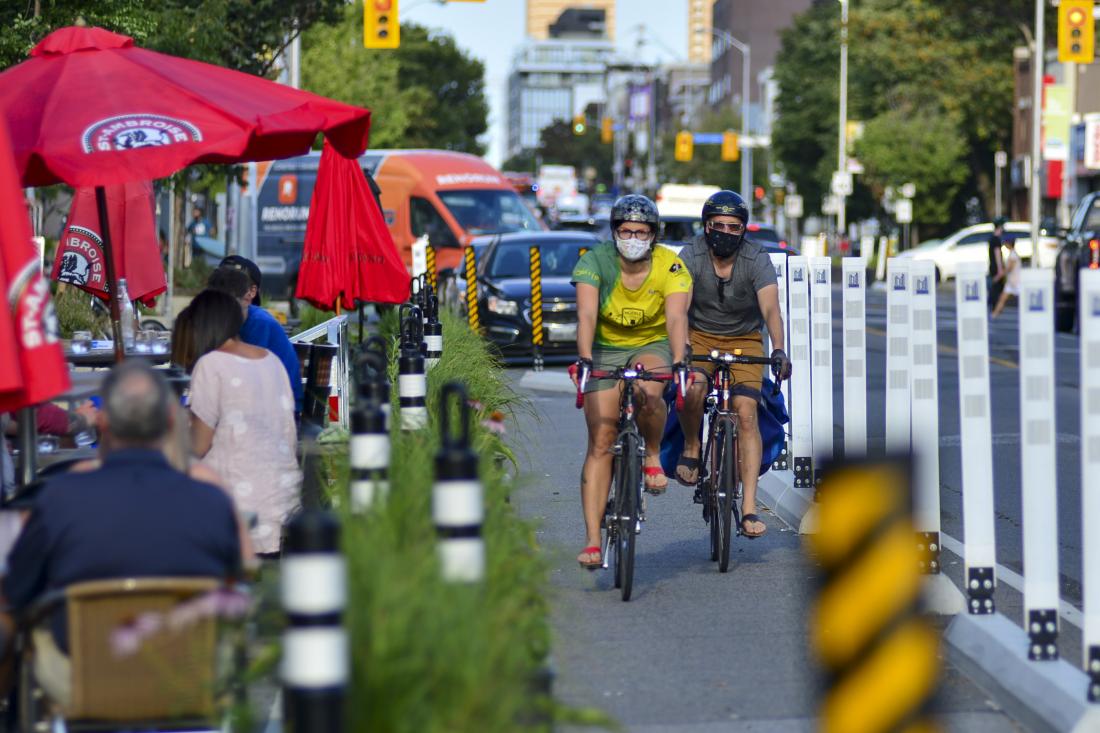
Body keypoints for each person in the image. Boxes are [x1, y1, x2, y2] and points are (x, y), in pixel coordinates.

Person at [1, 361, 242, 707]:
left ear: (103, 421)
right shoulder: (211, 501)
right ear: (172, 422)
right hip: (186, 676)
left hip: (83, 678)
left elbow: (18, 590)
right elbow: (233, 583)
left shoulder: (60, 498)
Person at [569, 194, 691, 569]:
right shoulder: (594, 261)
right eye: (626, 231)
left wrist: (679, 359)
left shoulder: (670, 266)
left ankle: (652, 454)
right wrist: (586, 357)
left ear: (654, 235)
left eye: (641, 232)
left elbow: (675, 319)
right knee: (601, 441)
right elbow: (587, 314)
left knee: (648, 390)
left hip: (650, 344)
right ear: (614, 232)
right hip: (604, 347)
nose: (633, 238)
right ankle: (592, 539)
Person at [674, 190, 791, 540]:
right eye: (718, 225)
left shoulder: (756, 258)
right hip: (700, 336)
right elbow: (679, 305)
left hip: (744, 339)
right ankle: (693, 447)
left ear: (744, 230)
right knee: (692, 387)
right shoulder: (691, 254)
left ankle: (750, 507)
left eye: (734, 226)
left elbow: (771, 309)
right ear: (706, 226)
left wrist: (780, 349)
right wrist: (682, 346)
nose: (726, 232)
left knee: (746, 412)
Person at [172, 289, 301, 556]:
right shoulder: (271, 360)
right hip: (283, 502)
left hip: (236, 507)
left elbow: (198, 446)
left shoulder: (211, 364)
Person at [209, 260, 303, 415]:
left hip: (279, 410)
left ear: (250, 293)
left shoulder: (259, 324)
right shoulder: (230, 320)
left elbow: (247, 379)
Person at [991, 237, 1022, 318]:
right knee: (1002, 298)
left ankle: (994, 314)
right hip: (1011, 282)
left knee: (1022, 300)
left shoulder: (1013, 255)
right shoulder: (1012, 254)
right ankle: (994, 314)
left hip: (1016, 282)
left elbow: (1009, 269)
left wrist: (998, 277)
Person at [988, 217, 1007, 310]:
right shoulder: (996, 240)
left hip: (992, 266)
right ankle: (993, 305)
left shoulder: (992, 238)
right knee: (997, 288)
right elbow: (997, 254)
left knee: (995, 286)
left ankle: (993, 304)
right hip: (996, 267)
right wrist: (1000, 269)